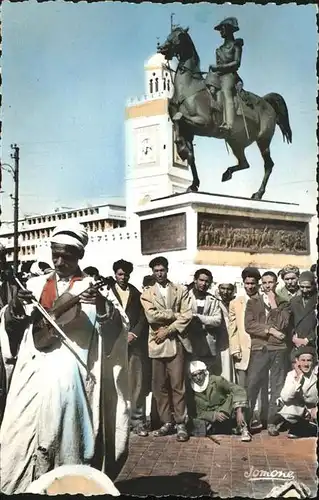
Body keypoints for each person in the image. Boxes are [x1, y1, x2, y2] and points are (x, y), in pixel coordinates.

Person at [0, 222, 130, 494]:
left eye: (67, 256)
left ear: (80, 256)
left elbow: (118, 327)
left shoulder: (94, 288)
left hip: (72, 376)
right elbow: (11, 325)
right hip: (31, 373)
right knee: (19, 434)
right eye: (55, 255)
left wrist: (102, 306)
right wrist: (15, 306)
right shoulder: (35, 284)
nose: (59, 262)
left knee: (66, 437)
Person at [141, 256, 192, 442]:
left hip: (175, 342)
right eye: (156, 271)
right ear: (152, 272)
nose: (159, 273)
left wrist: (168, 330)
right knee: (159, 386)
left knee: (178, 385)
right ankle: (166, 422)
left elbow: (187, 316)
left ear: (167, 269)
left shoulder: (180, 290)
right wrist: (173, 314)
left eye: (162, 270)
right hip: (156, 344)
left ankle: (181, 423)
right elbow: (152, 317)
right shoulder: (147, 293)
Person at [245, 270, 291, 436]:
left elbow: (283, 324)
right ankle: (247, 421)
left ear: (276, 284)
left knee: (276, 386)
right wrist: (270, 330)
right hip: (260, 349)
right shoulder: (253, 302)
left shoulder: (284, 303)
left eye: (270, 282)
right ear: (260, 284)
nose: (267, 286)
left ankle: (272, 421)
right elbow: (249, 326)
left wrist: (273, 303)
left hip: (278, 349)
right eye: (264, 283)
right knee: (252, 385)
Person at [110, 259, 150, 437]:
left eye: (126, 274)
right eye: (120, 274)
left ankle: (138, 421)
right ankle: (116, 421)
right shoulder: (107, 293)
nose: (123, 277)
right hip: (113, 345)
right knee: (114, 383)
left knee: (137, 384)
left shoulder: (137, 294)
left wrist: (134, 334)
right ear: (115, 275)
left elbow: (143, 318)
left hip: (134, 346)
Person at [188, 360, 251, 441]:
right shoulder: (190, 390)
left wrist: (239, 411)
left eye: (200, 373)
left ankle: (243, 428)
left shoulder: (217, 380)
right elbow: (196, 412)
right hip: (210, 418)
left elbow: (238, 390)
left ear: (205, 372)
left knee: (237, 399)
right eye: (194, 375)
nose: (198, 377)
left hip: (226, 410)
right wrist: (213, 415)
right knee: (196, 423)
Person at [209, 17, 243, 134]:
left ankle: (229, 124)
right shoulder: (219, 50)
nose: (221, 31)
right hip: (219, 75)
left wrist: (218, 68)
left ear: (229, 29)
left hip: (230, 75)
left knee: (225, 91)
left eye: (222, 28)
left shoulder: (236, 45)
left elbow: (236, 63)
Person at [275, 346, 317, 438]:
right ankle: (301, 427)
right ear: (297, 361)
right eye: (303, 360)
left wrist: (316, 408)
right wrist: (298, 378)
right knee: (289, 409)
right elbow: (285, 397)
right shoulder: (291, 375)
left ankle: (307, 428)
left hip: (313, 409)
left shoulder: (316, 376)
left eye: (309, 360)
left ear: (313, 362)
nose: (306, 364)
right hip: (299, 411)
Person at [187, 269, 222, 373]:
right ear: (195, 280)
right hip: (189, 343)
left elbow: (217, 320)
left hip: (207, 345)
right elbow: (184, 317)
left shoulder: (213, 300)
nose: (203, 284)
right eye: (201, 280)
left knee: (206, 374)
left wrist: (198, 317)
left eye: (207, 281)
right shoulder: (185, 297)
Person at [290, 271, 317, 354]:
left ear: (314, 285)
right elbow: (289, 322)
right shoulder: (294, 301)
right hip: (297, 344)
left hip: (313, 344)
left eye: (308, 287)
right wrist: (293, 337)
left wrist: (308, 339)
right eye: (302, 287)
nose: (305, 290)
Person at [215, 283, 236, 381]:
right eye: (223, 288)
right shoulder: (215, 302)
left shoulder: (236, 302)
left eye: (229, 289)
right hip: (219, 340)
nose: (225, 292)